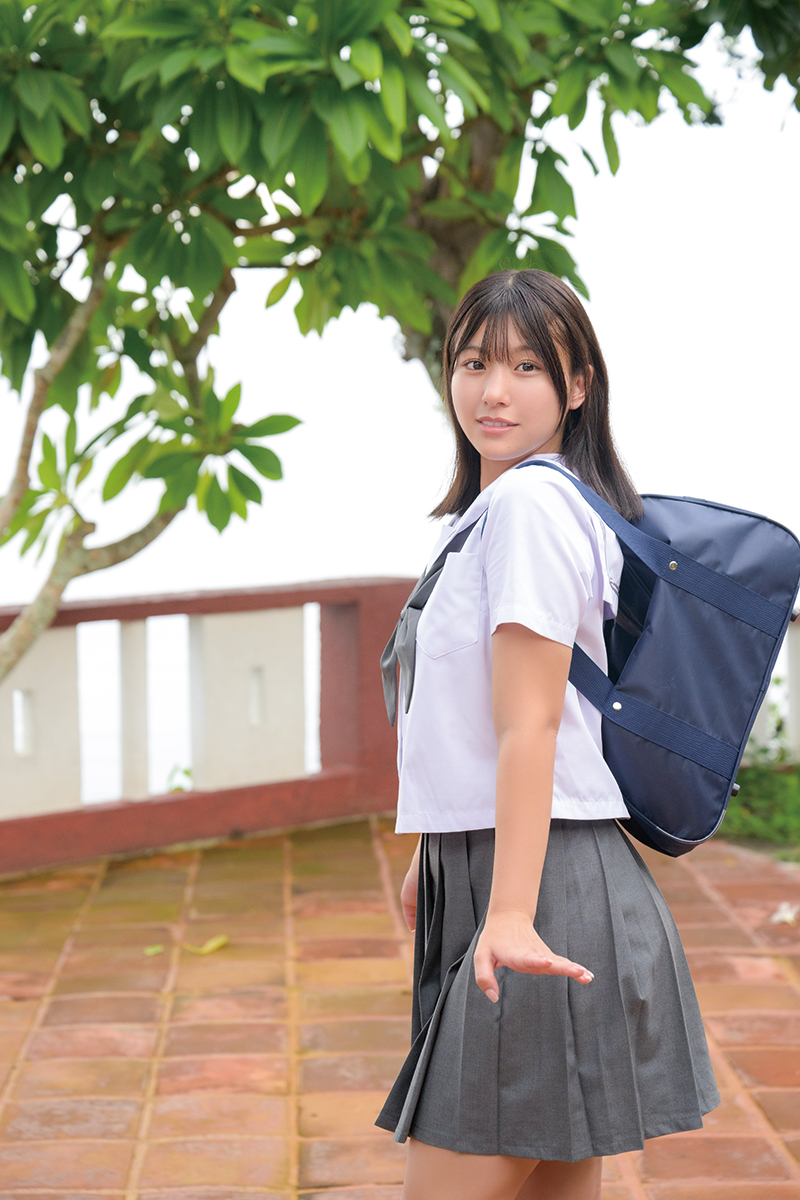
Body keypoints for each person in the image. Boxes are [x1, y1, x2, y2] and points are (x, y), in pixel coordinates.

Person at [375, 269, 720, 1200]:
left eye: (528, 367)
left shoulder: (531, 507)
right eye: (474, 363)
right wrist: (438, 846)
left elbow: (530, 723)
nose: (494, 391)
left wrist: (510, 912)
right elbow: (481, 719)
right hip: (527, 874)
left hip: (541, 895)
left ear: (577, 386)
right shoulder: (508, 507)